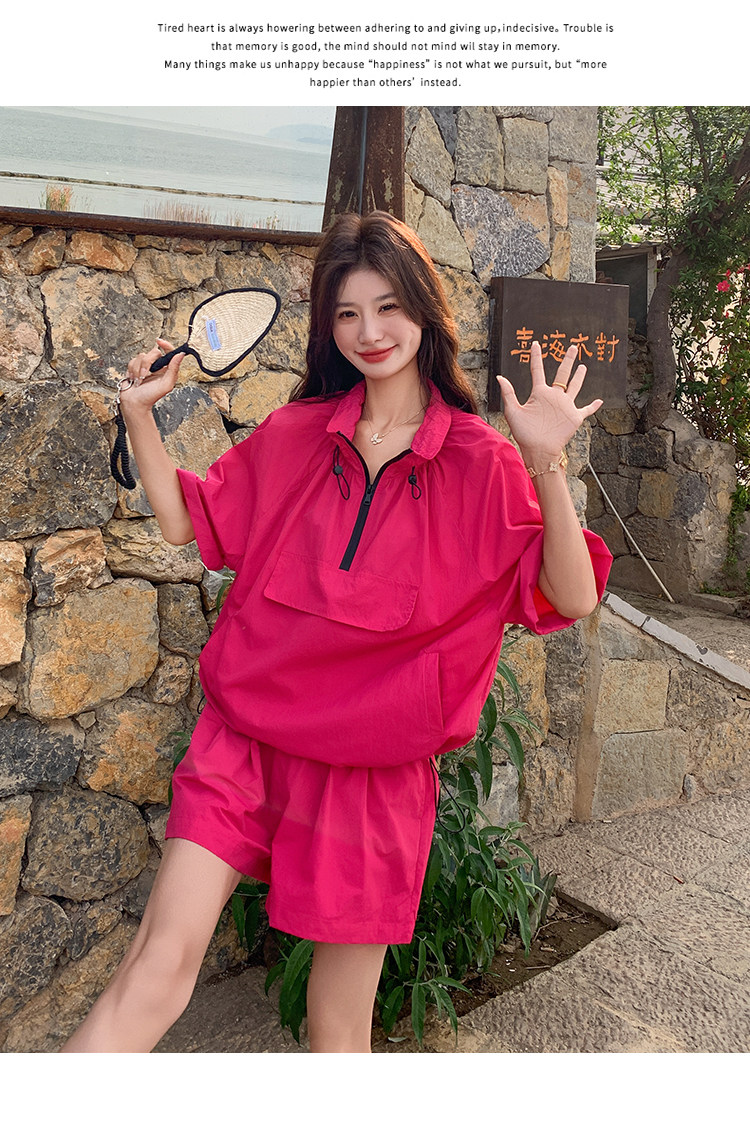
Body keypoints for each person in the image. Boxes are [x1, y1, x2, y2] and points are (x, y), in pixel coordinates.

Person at [61, 211, 611, 1054]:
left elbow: (570, 594)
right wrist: (140, 415)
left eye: (388, 307)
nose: (369, 332)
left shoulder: (480, 461)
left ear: (424, 310)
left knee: (338, 1031)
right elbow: (184, 520)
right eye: (348, 313)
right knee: (155, 969)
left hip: (373, 775)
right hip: (243, 743)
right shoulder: (294, 435)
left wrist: (545, 461)